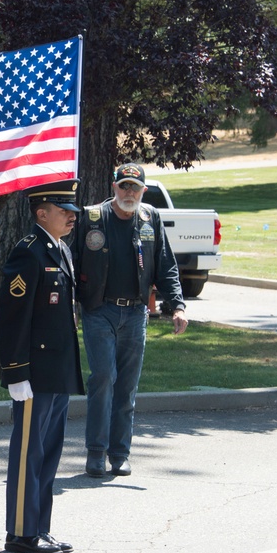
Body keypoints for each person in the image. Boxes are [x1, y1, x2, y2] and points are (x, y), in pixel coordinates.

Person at [72, 163, 188, 478]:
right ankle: (95, 452)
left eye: (134, 188)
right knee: (104, 377)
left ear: (143, 191)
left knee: (127, 386)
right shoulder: (93, 217)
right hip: (99, 311)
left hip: (136, 314)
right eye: (123, 186)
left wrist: (176, 306)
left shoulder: (151, 218)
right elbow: (72, 261)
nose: (129, 193)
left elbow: (166, 265)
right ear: (113, 187)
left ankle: (119, 454)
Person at [0, 179, 83, 553]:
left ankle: (39, 528)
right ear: (41, 212)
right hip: (33, 373)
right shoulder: (29, 253)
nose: (70, 217)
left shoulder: (59, 249)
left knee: (48, 453)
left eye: (72, 211)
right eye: (63, 211)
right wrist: (15, 372)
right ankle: (21, 531)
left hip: (57, 371)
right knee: (28, 454)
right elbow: (11, 318)